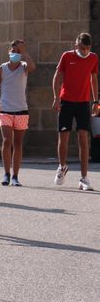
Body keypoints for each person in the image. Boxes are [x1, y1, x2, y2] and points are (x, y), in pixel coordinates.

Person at [52, 32, 98, 191]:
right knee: (63, 137)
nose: (84, 51)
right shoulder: (67, 56)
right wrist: (56, 98)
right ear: (76, 46)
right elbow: (57, 76)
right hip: (66, 102)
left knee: (83, 139)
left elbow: (93, 79)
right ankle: (62, 167)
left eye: (87, 48)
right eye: (82, 48)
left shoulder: (93, 58)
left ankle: (84, 178)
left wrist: (96, 101)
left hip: (83, 103)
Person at [0, 39, 35, 187]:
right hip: (5, 109)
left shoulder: (24, 67)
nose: (15, 54)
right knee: (7, 140)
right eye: (13, 51)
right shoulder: (1, 69)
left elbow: (32, 66)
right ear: (8, 52)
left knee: (18, 143)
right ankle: (6, 173)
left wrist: (23, 52)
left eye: (17, 52)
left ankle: (15, 176)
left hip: (21, 110)